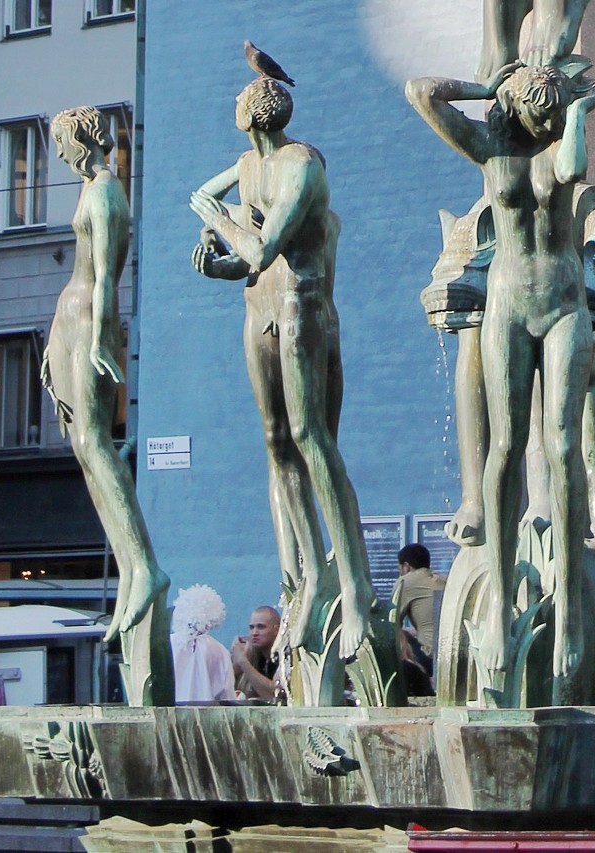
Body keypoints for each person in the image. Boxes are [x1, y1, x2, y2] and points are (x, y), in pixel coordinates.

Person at [406, 60, 595, 698]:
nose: (548, 122)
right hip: (507, 307)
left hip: (564, 306)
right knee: (504, 447)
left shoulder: (555, 153)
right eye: (541, 109)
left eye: (554, 112)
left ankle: (571, 607)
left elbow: (573, 166)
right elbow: (422, 90)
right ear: (519, 104)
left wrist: (574, 113)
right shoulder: (490, 148)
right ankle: (497, 599)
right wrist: (485, 89)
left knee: (563, 442)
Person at [190, 76, 375, 661]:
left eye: (238, 98)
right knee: (275, 443)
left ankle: (355, 586)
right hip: (260, 309)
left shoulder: (302, 166)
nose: (231, 103)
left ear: (255, 111)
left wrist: (219, 221)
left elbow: (263, 247)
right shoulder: (249, 165)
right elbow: (236, 247)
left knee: (311, 439)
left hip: (302, 307)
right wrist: (217, 263)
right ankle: (307, 574)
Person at [41, 106, 169, 643]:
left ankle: (144, 568)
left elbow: (105, 277)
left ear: (84, 138)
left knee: (96, 443)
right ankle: (129, 572)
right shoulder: (93, 188)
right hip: (71, 321)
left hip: (89, 319)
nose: (61, 154)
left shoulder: (105, 192)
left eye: (62, 142)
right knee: (84, 448)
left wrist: (99, 339)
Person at [170, 584, 235, 703]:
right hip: (207, 715)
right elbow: (226, 695)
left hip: (170, 712)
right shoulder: (219, 650)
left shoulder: (169, 644)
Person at [391, 543, 448, 669]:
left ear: (406, 566)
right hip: (449, 653)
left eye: (399, 569)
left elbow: (392, 623)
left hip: (429, 656)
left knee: (401, 636)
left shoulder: (405, 582)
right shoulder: (444, 580)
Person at [231, 605, 281, 701]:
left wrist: (243, 662)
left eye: (261, 627)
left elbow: (276, 695)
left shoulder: (284, 656)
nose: (254, 633)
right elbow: (222, 688)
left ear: (276, 629)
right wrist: (236, 666)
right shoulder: (251, 653)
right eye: (251, 627)